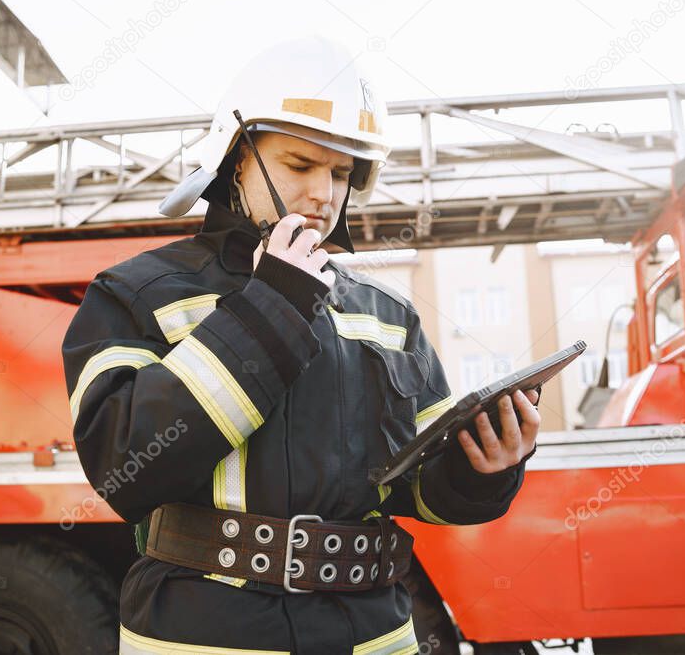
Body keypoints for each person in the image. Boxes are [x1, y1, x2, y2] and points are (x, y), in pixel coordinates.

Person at [62, 36, 540, 655]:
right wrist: (272, 307)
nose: (324, 194)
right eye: (299, 165)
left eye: (342, 173)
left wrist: (483, 469)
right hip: (203, 637)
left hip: (375, 635)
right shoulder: (135, 293)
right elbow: (125, 470)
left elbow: (418, 490)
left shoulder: (387, 315)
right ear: (236, 159)